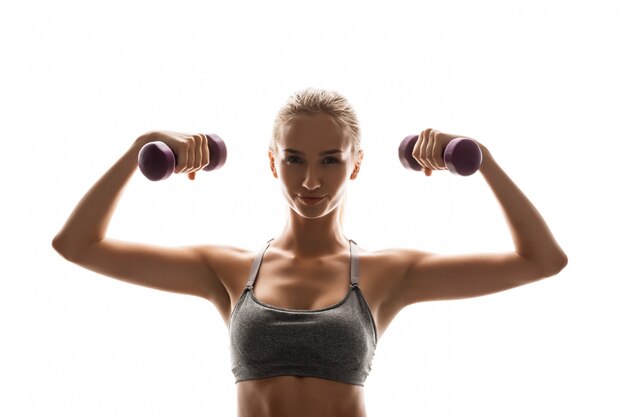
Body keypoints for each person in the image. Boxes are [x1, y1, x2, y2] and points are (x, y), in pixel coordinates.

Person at [52, 88, 568, 417]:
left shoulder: (390, 273)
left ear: (357, 165)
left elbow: (542, 260)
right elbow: (76, 245)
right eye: (295, 159)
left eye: (330, 160)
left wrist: (483, 162)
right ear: (272, 164)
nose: (312, 180)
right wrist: (136, 147)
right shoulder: (229, 269)